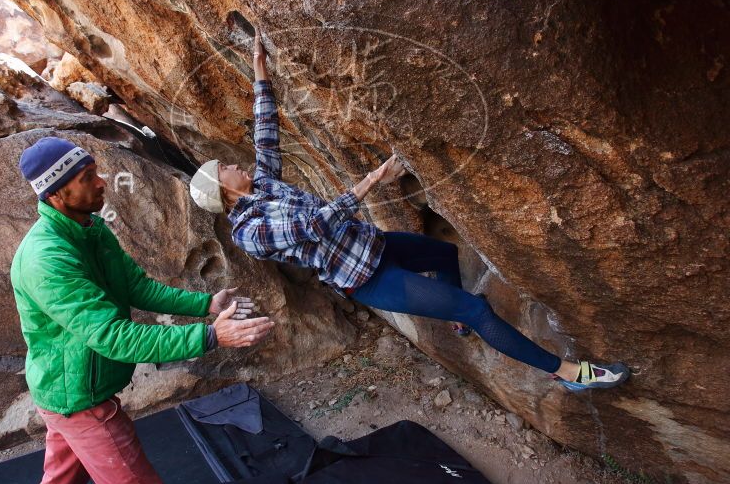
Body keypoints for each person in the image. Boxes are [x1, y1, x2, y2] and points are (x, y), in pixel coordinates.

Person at [189, 30, 629, 392]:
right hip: (369, 279)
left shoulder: (261, 185)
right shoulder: (250, 230)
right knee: (477, 310)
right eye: (224, 169)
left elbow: (266, 130)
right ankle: (568, 373)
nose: (232, 164)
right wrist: (374, 179)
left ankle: (456, 321)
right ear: (224, 194)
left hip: (375, 246)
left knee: (444, 256)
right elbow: (315, 224)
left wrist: (259, 65)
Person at [11, 136, 275, 484]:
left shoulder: (91, 229)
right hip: (79, 400)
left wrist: (205, 305)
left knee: (60, 483)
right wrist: (211, 335)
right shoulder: (47, 259)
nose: (102, 181)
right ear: (57, 194)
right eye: (87, 177)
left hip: (69, 390)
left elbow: (135, 286)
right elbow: (112, 336)